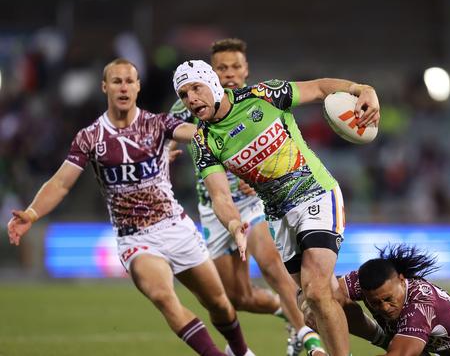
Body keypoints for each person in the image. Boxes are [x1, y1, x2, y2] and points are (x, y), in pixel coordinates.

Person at [7, 58, 254, 356]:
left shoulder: (157, 123)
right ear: (105, 87)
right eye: (116, 81)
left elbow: (197, 135)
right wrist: (31, 213)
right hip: (135, 239)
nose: (123, 87)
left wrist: (226, 135)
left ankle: (241, 351)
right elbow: (60, 183)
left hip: (175, 227)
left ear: (138, 87)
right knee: (164, 297)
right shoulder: (90, 137)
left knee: (219, 303)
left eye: (129, 81)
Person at [172, 59, 380, 356]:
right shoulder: (203, 142)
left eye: (196, 87)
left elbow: (321, 89)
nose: (191, 98)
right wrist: (233, 225)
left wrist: (362, 89)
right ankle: (384, 337)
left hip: (316, 194)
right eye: (183, 94)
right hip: (279, 217)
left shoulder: (262, 95)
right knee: (317, 302)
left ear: (213, 84)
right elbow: (219, 196)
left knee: (317, 291)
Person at [169, 38, 323, 356]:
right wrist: (168, 149)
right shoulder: (187, 106)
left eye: (235, 67)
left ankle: (312, 342)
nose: (229, 74)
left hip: (256, 203)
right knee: (238, 298)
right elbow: (168, 134)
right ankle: (288, 314)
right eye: (221, 68)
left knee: (270, 262)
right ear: (211, 73)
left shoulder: (257, 101)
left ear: (246, 69)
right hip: (215, 208)